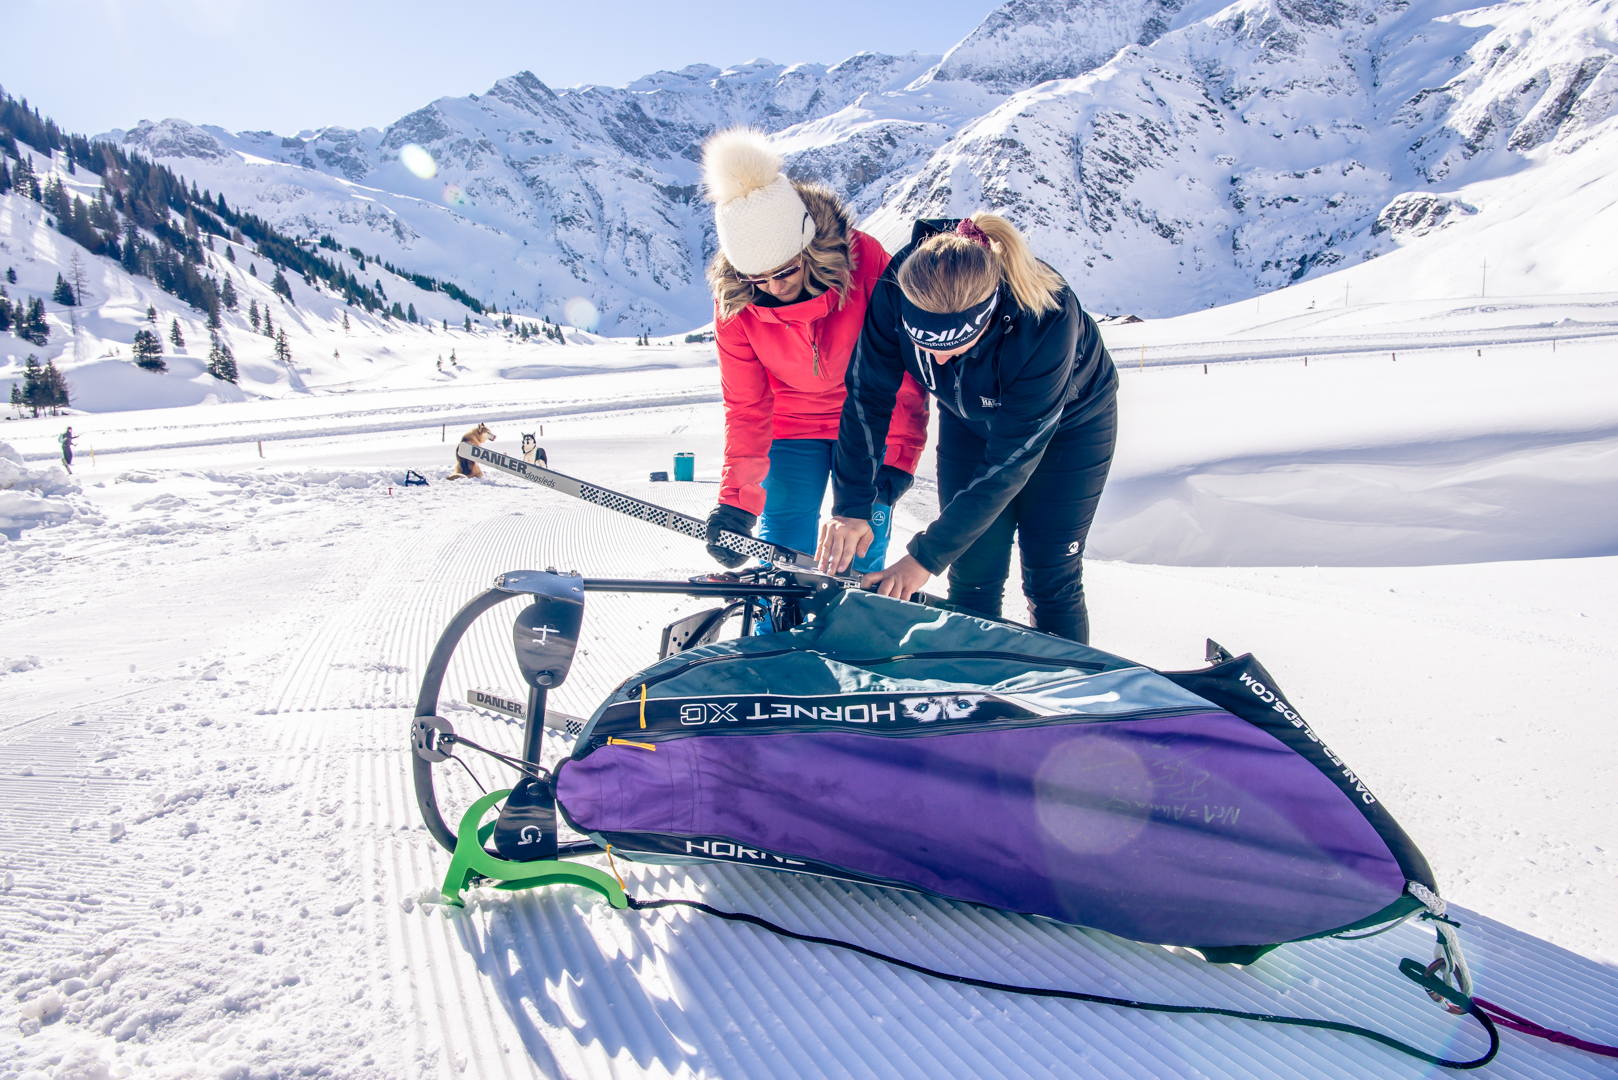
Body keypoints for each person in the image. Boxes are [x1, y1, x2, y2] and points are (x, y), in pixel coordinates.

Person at [817, 214, 1118, 643]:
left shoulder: (1047, 317)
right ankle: (973, 693)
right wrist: (851, 505)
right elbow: (868, 398)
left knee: (1051, 574)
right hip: (968, 419)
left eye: (954, 349)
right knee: (973, 574)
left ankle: (1067, 696)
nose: (937, 363)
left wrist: (922, 558)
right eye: (925, 349)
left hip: (1072, 427)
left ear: (989, 318)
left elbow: (1010, 463)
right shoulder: (896, 290)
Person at [700, 128, 928, 573]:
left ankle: (855, 640)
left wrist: (899, 457)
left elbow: (899, 371)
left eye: (783, 270)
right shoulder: (736, 301)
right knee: (782, 553)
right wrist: (737, 502)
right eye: (756, 278)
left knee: (859, 554)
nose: (772, 286)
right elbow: (747, 405)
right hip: (790, 429)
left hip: (867, 425)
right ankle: (776, 640)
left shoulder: (866, 262)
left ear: (807, 245)